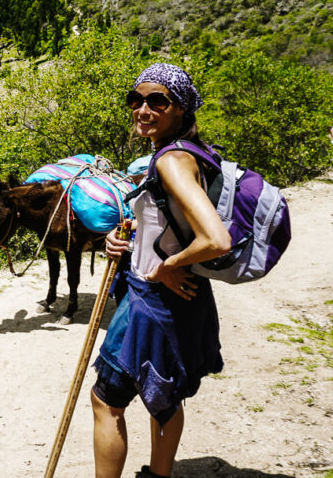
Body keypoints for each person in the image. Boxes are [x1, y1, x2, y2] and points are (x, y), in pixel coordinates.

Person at [92, 63, 232, 478]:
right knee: (165, 397)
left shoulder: (171, 160)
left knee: (106, 401)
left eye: (158, 101)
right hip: (184, 298)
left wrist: (164, 267)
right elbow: (176, 222)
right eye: (136, 100)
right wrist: (129, 238)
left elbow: (216, 239)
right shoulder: (192, 152)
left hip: (153, 301)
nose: (143, 109)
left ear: (181, 108)